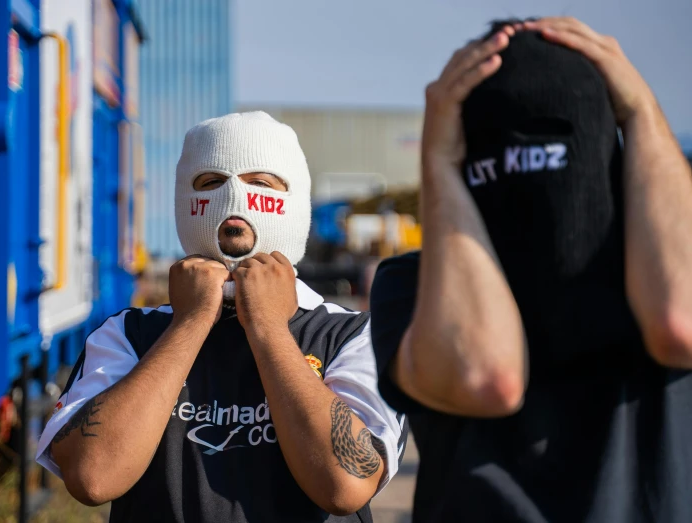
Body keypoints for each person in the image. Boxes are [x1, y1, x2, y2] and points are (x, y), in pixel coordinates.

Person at [370, 18, 692, 523]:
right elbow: (485, 375)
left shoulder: (656, 275)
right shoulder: (414, 286)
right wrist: (641, 114)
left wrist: (642, 110)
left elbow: (681, 323)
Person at [36, 111, 407, 523]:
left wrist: (267, 327)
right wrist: (189, 323)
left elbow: (345, 486)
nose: (233, 197)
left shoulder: (351, 335)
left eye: (260, 182)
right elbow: (92, 478)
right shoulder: (128, 335)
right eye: (211, 182)